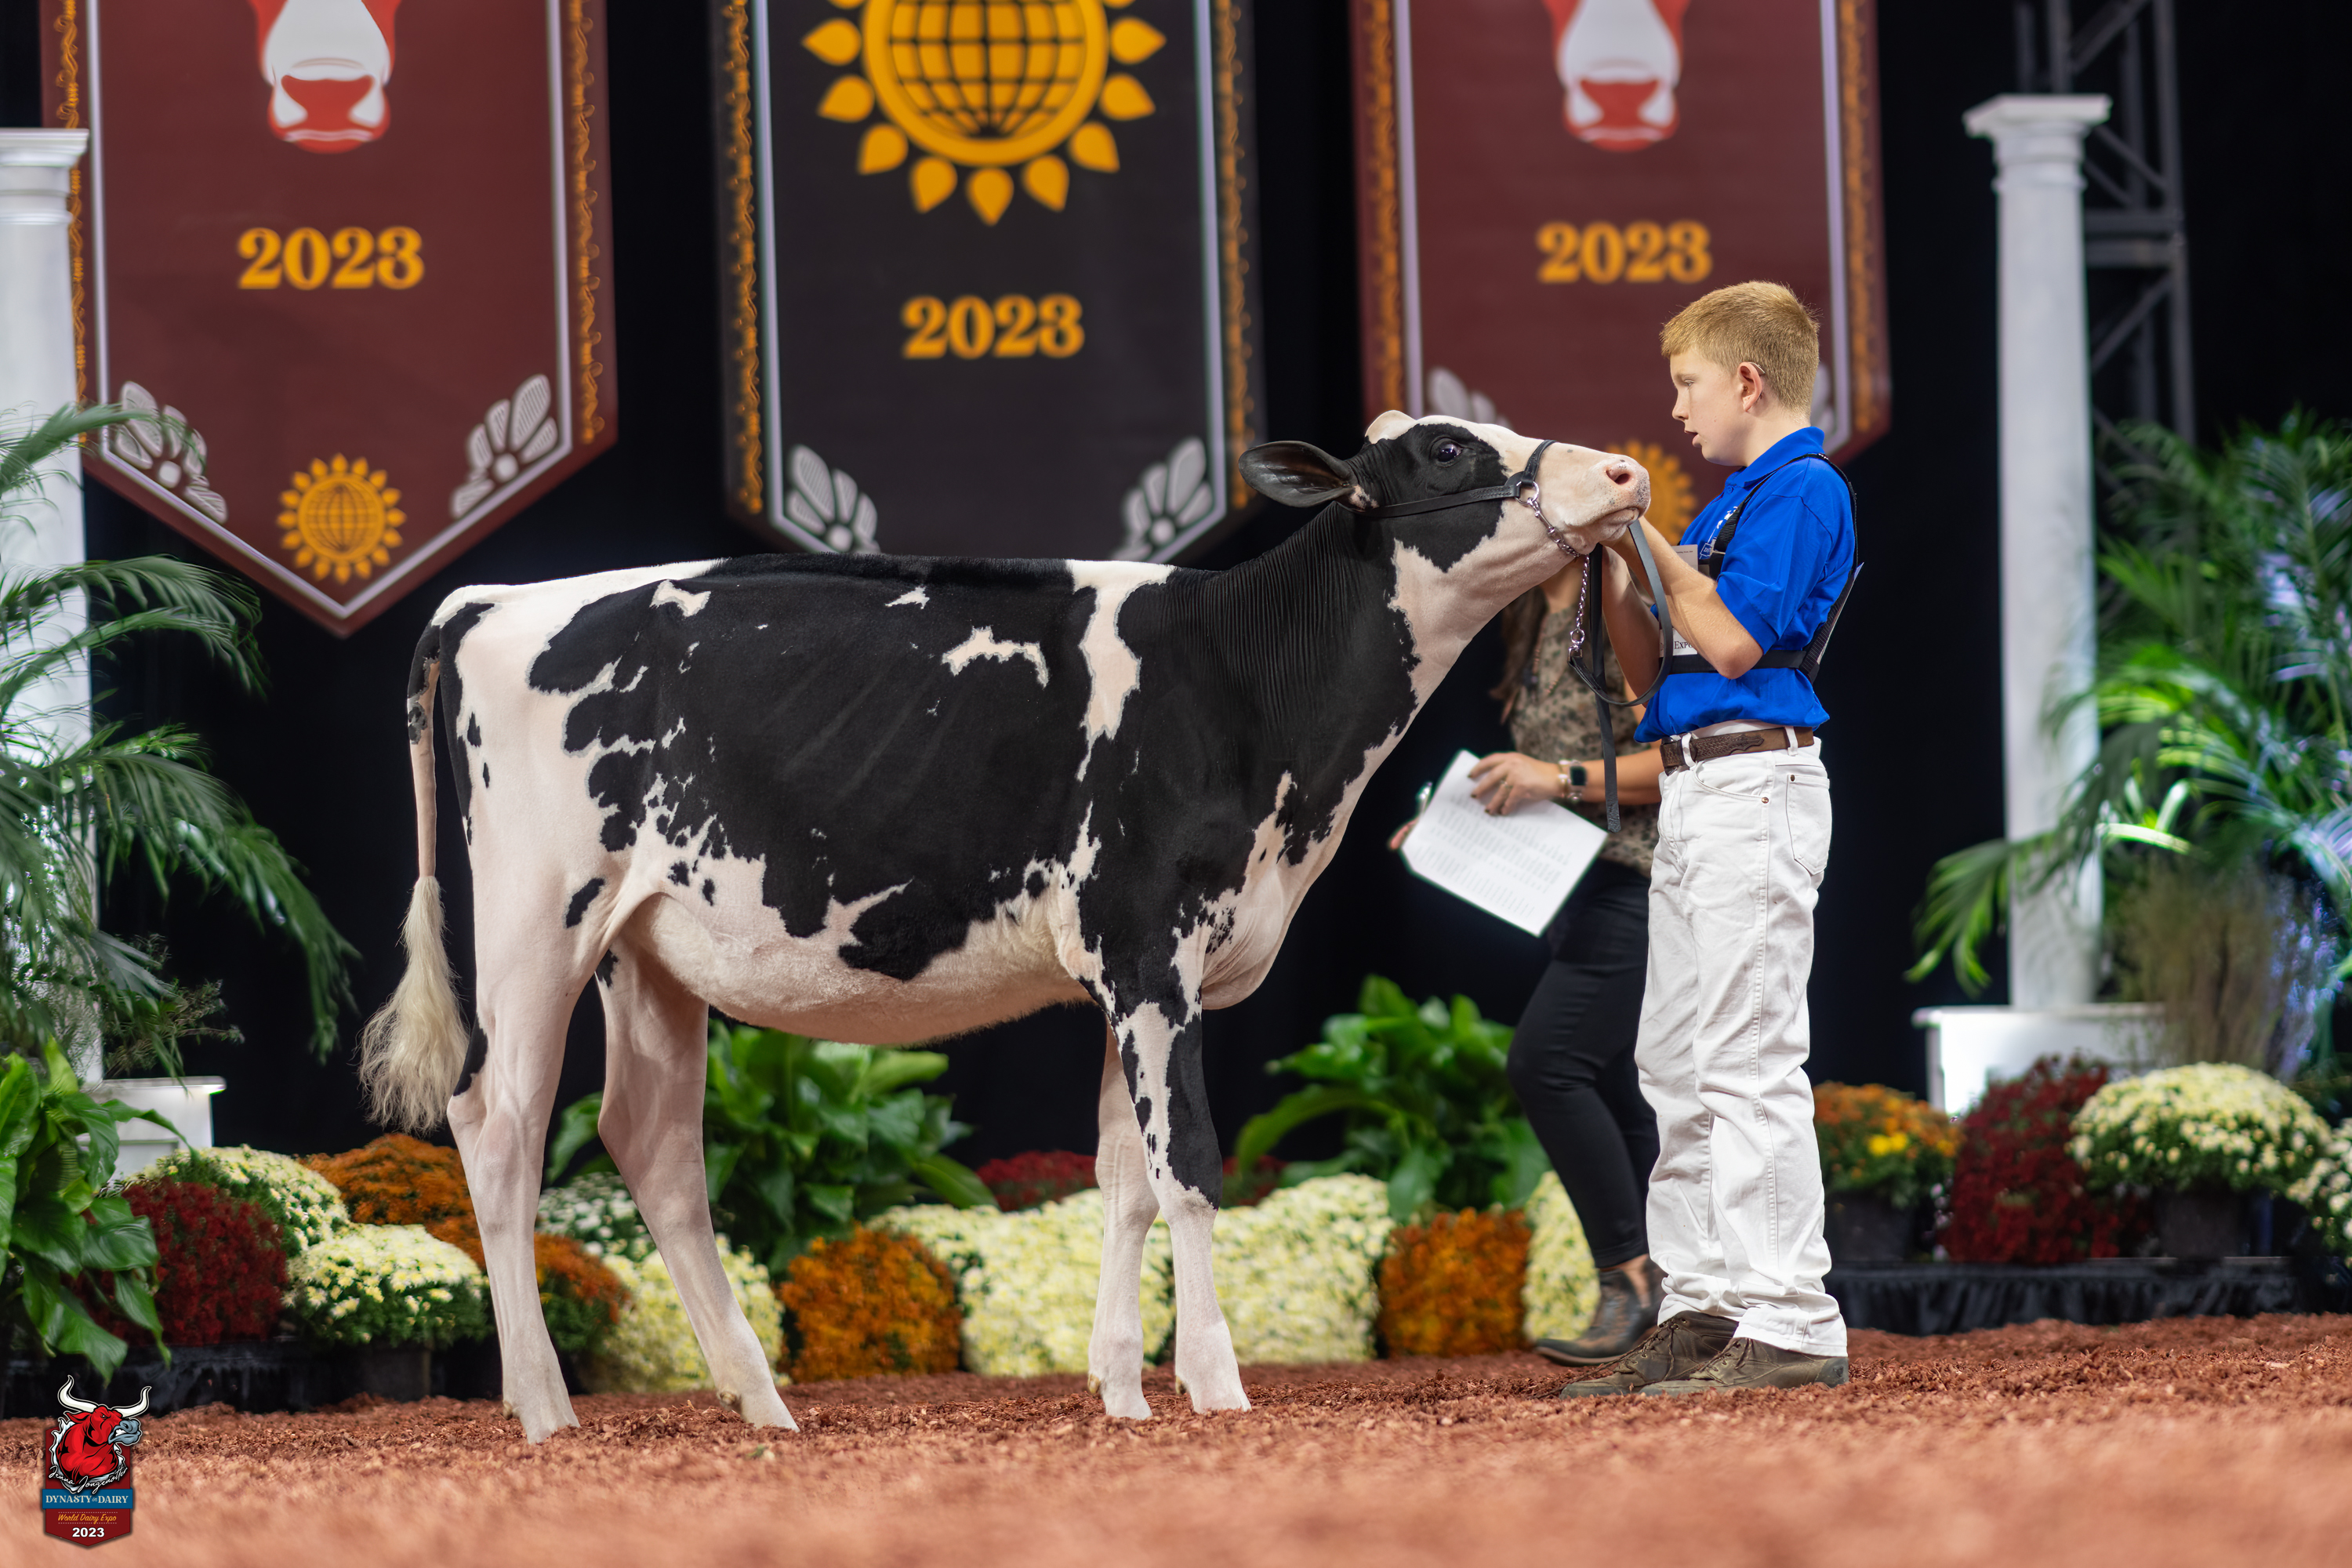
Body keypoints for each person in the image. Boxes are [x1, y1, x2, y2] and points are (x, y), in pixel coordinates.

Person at [1555, 280, 1857, 1399]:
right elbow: (1654, 677)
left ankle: (1791, 1317)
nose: (1678, 409)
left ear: (1747, 380)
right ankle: (1705, 1305)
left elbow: (1730, 645)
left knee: (1744, 1055)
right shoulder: (1734, 503)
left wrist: (1642, 530)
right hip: (1697, 787)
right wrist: (1618, 563)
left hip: (1754, 783)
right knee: (1676, 1064)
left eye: (1687, 385)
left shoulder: (1804, 487)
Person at [1426, 561, 1669, 1364]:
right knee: (1616, 1089)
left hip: (1635, 886)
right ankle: (1672, 1286)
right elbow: (1541, 780)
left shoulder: (1618, 608)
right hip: (1571, 889)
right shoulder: (1533, 617)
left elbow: (1675, 760)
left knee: (1548, 1063)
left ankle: (1629, 1279)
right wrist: (1452, 821)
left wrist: (1555, 777)